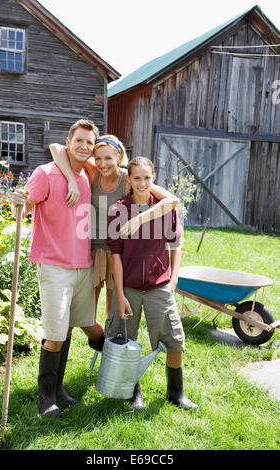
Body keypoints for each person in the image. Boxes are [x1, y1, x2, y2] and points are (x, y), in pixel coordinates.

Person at [11, 119, 104, 418]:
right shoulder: (45, 173)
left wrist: (74, 178)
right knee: (54, 334)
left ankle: (59, 388)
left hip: (83, 266)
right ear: (69, 141)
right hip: (54, 267)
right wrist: (17, 203)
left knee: (68, 330)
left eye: (89, 142)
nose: (84, 146)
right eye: (79, 140)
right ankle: (46, 398)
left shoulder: (86, 176)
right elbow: (23, 207)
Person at [50, 136, 179, 321]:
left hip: (117, 252)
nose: (103, 164)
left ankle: (109, 344)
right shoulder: (94, 172)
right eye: (98, 158)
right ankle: (93, 337)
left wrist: (139, 220)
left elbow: (172, 201)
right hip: (91, 249)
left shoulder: (128, 179)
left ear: (119, 158)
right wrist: (71, 179)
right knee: (85, 312)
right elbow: (56, 147)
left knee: (113, 309)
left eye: (108, 158)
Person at [105, 157, 198, 411]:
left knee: (174, 340)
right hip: (130, 289)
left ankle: (176, 393)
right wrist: (120, 294)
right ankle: (132, 393)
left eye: (147, 178)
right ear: (129, 180)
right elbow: (115, 255)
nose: (142, 183)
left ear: (154, 178)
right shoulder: (118, 211)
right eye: (137, 178)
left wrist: (174, 278)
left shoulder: (166, 209)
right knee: (124, 339)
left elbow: (176, 245)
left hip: (159, 286)